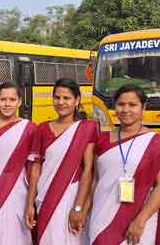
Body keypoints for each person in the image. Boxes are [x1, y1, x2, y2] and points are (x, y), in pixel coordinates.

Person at [25, 78, 98, 245]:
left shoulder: (86, 129)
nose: (61, 102)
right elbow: (36, 169)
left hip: (71, 198)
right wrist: (30, 204)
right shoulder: (42, 129)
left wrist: (79, 207)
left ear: (77, 100)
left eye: (66, 98)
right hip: (44, 198)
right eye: (57, 98)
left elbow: (88, 171)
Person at [88, 84, 160, 245]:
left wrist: (140, 221)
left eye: (132, 105)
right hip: (101, 218)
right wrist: (85, 211)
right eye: (121, 104)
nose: (126, 109)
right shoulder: (102, 140)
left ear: (143, 107)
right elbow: (95, 180)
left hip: (138, 222)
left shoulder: (155, 142)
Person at [0, 82, 35, 245]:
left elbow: (33, 166)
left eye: (12, 99)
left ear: (19, 102)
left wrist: (31, 201)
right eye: (3, 99)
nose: (7, 104)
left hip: (18, 189)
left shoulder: (29, 128)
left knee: (16, 230)